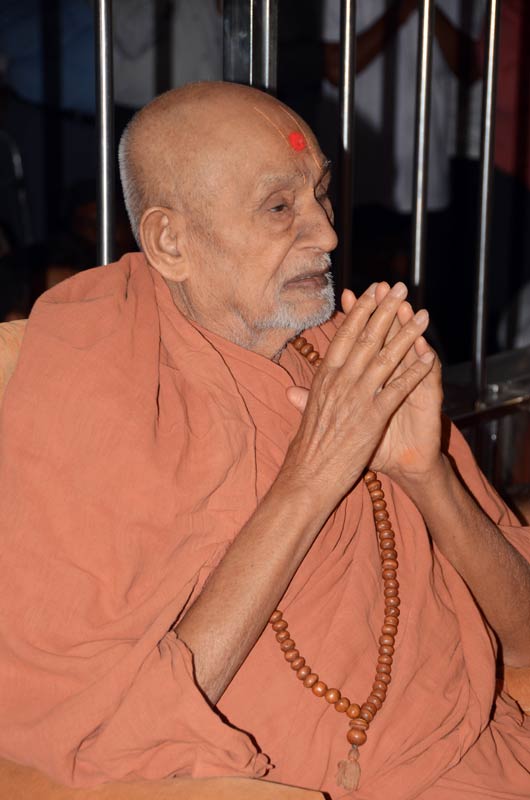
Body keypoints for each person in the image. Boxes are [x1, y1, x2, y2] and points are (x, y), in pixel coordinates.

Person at [0, 82, 529, 799]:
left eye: (320, 193)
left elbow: (523, 635)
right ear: (170, 242)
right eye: (280, 208)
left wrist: (426, 474)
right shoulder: (98, 383)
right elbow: (111, 733)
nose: (328, 234)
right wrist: (311, 478)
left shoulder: (349, 355)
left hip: (481, 756)